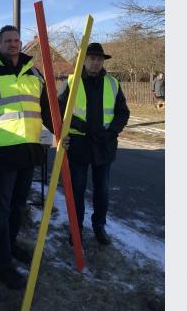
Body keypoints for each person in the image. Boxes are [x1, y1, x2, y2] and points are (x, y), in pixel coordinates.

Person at [0, 25, 54, 290]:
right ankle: (2, 266)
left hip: (29, 150)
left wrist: (58, 133)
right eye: (8, 40)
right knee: (1, 211)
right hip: (3, 152)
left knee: (18, 207)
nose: (13, 44)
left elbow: (47, 110)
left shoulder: (35, 74)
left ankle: (12, 246)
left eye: (17, 40)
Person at [57, 43, 130, 245]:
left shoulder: (113, 83)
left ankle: (99, 226)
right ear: (83, 60)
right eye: (91, 58)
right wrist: (80, 124)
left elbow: (123, 112)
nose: (96, 62)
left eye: (99, 59)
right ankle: (76, 229)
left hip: (104, 145)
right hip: (79, 144)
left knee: (102, 190)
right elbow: (58, 111)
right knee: (77, 189)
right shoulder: (71, 82)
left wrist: (112, 132)